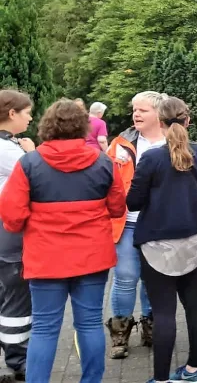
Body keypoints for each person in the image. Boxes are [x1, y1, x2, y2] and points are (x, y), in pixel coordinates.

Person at [0, 99, 126, 383]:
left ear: (48, 126)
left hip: (45, 259)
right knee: (90, 323)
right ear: (83, 126)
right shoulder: (104, 162)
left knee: (45, 328)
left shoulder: (30, 163)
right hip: (93, 257)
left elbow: (12, 215)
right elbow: (118, 208)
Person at [127, 96, 197, 383]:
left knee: (164, 311)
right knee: (195, 304)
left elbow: (133, 202)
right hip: (194, 240)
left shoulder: (151, 158)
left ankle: (160, 380)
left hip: (156, 244)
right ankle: (194, 372)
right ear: (188, 120)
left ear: (160, 122)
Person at [104, 91, 167, 359]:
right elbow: (104, 178)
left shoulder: (172, 143)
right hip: (126, 223)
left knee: (153, 278)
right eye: (134, 110)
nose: (136, 114)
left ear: (159, 114)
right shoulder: (120, 144)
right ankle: (120, 333)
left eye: (143, 110)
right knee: (126, 277)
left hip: (160, 225)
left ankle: (152, 327)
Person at [0, 90, 33, 381]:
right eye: (26, 112)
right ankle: (19, 363)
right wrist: (32, 152)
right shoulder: (9, 152)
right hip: (8, 238)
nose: (30, 117)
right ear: (12, 114)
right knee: (16, 303)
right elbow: (39, 177)